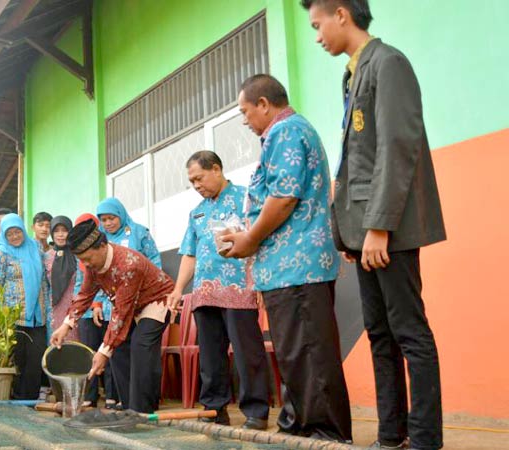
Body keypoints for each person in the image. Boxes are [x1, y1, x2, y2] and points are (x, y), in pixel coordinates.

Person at [302, 2, 446, 448]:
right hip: (363, 230)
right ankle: (391, 435)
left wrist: (379, 226)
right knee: (380, 334)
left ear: (341, 13)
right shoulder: (352, 74)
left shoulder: (389, 63)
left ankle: (424, 439)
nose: (317, 35)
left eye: (317, 24)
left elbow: (398, 147)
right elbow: (357, 161)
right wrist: (348, 230)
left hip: (388, 229)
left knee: (409, 331)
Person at [221, 74, 351, 442]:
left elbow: (283, 198)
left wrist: (249, 238)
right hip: (285, 270)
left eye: (245, 112)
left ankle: (325, 435)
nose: (244, 121)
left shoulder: (286, 132)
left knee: (309, 354)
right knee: (295, 356)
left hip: (299, 267)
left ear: (264, 104)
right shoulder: (282, 134)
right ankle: (297, 427)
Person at [166, 151, 270, 429]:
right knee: (210, 355)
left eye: (199, 178)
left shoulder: (246, 197)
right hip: (205, 292)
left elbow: (260, 240)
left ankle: (256, 412)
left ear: (216, 169)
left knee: (248, 351)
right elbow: (190, 253)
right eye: (191, 182)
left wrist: (259, 281)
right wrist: (178, 290)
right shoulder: (196, 212)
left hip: (239, 288)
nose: (196, 185)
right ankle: (214, 408)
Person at [50, 219, 173, 414]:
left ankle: (143, 411)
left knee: (141, 346)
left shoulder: (128, 265)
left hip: (157, 301)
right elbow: (85, 295)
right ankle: (128, 408)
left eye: (88, 258)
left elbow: (121, 314)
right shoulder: (92, 266)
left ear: (102, 246)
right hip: (131, 306)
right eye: (82, 260)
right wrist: (66, 325)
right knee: (119, 351)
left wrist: (102, 351)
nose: (86, 264)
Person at [95, 197, 161, 410]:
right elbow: (93, 273)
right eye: (103, 219)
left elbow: (155, 262)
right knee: (119, 351)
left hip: (143, 304)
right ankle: (129, 402)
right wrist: (96, 303)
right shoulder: (99, 240)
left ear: (121, 215)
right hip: (113, 305)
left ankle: (147, 401)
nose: (108, 223)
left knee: (143, 351)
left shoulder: (139, 232)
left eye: (111, 218)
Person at [0, 213, 52, 400]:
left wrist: (47, 310)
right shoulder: (0, 253)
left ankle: (30, 401)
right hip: (13, 316)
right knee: (18, 360)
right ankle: (16, 399)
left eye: (18, 232)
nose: (15, 236)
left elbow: (44, 282)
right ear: (4, 235)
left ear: (23, 230)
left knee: (35, 359)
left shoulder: (36, 247)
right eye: (10, 234)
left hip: (37, 315)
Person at [73, 213, 119, 410]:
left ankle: (111, 395)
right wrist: (76, 314)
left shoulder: (102, 252)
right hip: (86, 314)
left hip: (108, 311)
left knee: (108, 351)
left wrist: (98, 304)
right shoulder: (82, 257)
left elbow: (104, 283)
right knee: (89, 353)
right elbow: (81, 286)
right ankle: (90, 396)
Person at [45, 216, 79, 341]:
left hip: (75, 307)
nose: (60, 235)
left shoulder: (78, 254)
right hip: (54, 309)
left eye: (64, 230)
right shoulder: (47, 257)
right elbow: (45, 286)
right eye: (56, 231)